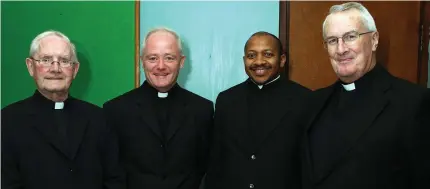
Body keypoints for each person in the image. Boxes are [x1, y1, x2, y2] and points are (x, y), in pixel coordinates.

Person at [301, 2, 430, 189]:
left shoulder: (413, 102)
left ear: (374, 40)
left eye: (350, 37)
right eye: (332, 40)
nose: (341, 49)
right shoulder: (314, 102)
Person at [1, 30, 124, 189]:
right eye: (46, 60)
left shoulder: (99, 118)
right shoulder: (7, 120)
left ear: (75, 69)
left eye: (64, 61)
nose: (55, 68)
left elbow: (115, 180)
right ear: (31, 66)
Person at [103, 27, 214, 189]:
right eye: (153, 58)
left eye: (169, 58)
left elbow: (207, 169)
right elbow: (111, 173)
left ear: (181, 62)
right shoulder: (115, 110)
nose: (160, 66)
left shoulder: (202, 109)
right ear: (142, 61)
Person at [205, 31, 311, 189]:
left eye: (268, 54)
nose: (259, 62)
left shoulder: (305, 99)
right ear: (244, 60)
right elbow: (216, 159)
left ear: (282, 60)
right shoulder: (226, 100)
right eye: (251, 55)